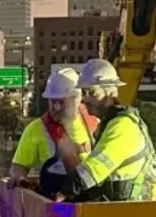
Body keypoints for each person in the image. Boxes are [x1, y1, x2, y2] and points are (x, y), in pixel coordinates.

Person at [59, 58, 156, 202]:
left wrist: (63, 194)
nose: (85, 100)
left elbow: (93, 170)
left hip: (129, 212)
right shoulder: (110, 124)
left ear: (111, 94)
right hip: (119, 209)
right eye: (84, 93)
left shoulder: (122, 126)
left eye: (92, 93)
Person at [9, 67, 99, 196]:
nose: (56, 107)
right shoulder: (36, 129)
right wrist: (19, 177)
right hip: (53, 205)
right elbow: (18, 166)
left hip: (90, 202)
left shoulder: (95, 124)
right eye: (52, 101)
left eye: (61, 102)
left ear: (78, 99)